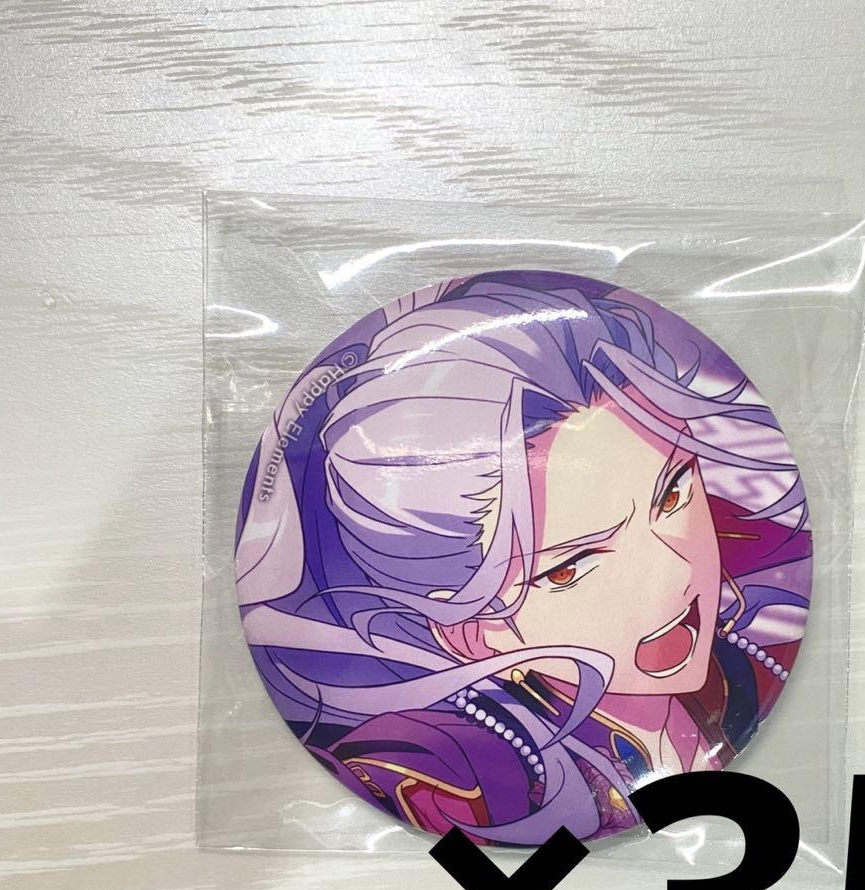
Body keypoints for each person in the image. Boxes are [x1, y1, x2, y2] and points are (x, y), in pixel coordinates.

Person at [236, 271, 811, 844]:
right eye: (570, 567)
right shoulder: (450, 781)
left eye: (672, 494)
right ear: (470, 631)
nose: (676, 573)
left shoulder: (740, 669)